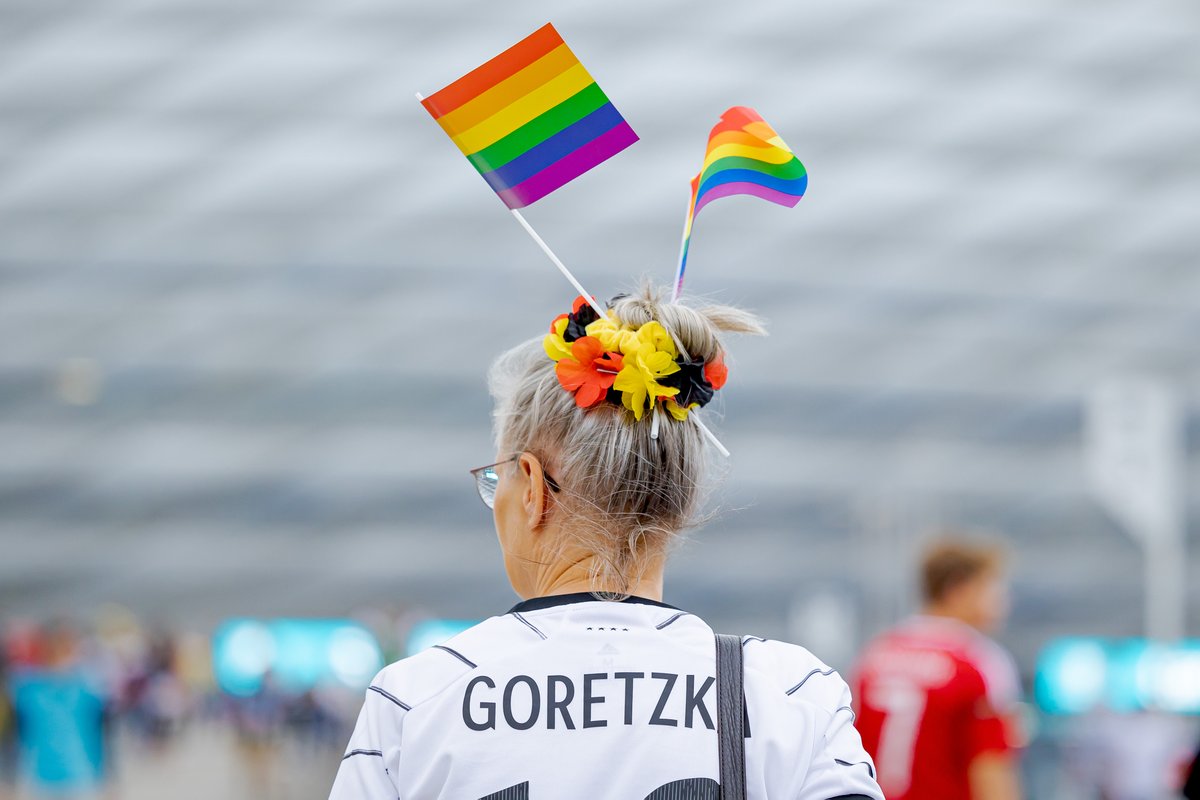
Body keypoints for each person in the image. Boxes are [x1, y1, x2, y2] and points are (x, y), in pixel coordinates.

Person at [330, 285, 882, 799]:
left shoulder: (416, 699)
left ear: (532, 489)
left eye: (496, 480)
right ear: (675, 496)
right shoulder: (789, 693)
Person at [852, 538, 1023, 800]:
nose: (1002, 601)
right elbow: (990, 764)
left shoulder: (875, 654)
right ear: (958, 590)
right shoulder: (978, 660)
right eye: (992, 588)